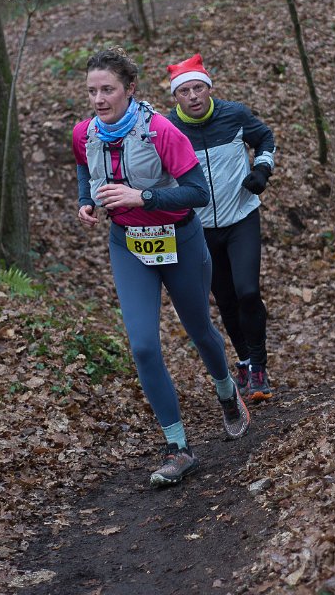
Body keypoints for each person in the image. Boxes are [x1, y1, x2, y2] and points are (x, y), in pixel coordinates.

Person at [72, 48, 250, 488]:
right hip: (128, 245)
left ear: (130, 89)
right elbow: (83, 167)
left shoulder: (161, 131)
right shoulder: (84, 132)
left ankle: (227, 391)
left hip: (180, 239)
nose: (99, 99)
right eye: (92, 91)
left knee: (199, 329)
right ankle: (178, 447)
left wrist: (143, 197)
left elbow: (198, 192)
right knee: (144, 347)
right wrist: (86, 200)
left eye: (107, 89)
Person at [166, 54, 276, 401]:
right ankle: (244, 361)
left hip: (241, 218)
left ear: (209, 88)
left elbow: (265, 138)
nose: (193, 96)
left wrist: (262, 170)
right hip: (199, 229)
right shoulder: (168, 129)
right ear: (176, 97)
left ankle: (259, 365)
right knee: (226, 299)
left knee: (247, 292)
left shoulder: (235, 115)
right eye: (185, 91)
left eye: (198, 88)